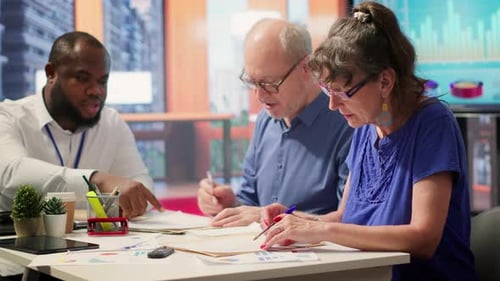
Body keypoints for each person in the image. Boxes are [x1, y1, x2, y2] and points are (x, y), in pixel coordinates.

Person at [259, 2, 477, 281]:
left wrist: (320, 230)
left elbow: (423, 238)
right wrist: (296, 222)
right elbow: (345, 219)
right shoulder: (366, 124)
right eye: (327, 90)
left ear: (385, 81)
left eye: (343, 92)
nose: (333, 105)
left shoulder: (433, 122)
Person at [197, 19, 353, 227]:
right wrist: (230, 204)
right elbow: (250, 201)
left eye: (270, 83)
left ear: (307, 67)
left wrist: (268, 217)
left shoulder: (346, 122)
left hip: (318, 254)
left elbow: (349, 219)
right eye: (252, 82)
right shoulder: (266, 119)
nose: (259, 95)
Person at [0, 31, 163, 219]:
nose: (96, 91)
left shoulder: (111, 123)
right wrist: (96, 181)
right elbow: (12, 176)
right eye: (82, 78)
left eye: (102, 81)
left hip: (96, 245)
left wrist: (125, 202)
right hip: (16, 242)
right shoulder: (8, 116)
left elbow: (138, 182)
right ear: (51, 73)